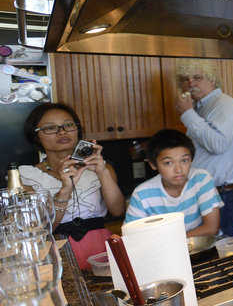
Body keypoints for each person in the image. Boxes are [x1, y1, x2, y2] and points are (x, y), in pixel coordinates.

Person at [20, 103, 126, 270]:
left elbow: (118, 211)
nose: (62, 131)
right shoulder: (26, 178)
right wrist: (65, 189)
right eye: (50, 128)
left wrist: (102, 172)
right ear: (36, 136)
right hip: (55, 253)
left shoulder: (101, 167)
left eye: (68, 125)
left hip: (101, 249)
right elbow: (42, 229)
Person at [175, 59, 233, 236]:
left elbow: (217, 144)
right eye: (185, 79)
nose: (191, 83)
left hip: (225, 194)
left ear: (213, 80)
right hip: (210, 193)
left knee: (224, 251)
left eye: (197, 77)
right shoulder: (200, 108)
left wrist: (187, 114)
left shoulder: (224, 105)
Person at [125, 129, 222, 236]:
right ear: (153, 164)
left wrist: (168, 241)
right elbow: (130, 235)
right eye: (168, 163)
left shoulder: (201, 179)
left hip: (204, 249)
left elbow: (211, 229)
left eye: (184, 160)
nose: (178, 169)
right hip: (164, 251)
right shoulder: (142, 194)